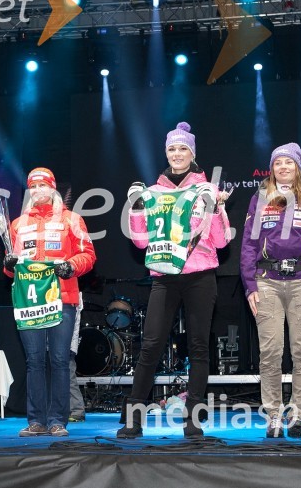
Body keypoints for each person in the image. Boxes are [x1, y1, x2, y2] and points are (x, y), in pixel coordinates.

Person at [118, 122, 231, 439]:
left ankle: (193, 419)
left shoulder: (204, 189)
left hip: (200, 276)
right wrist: (137, 207)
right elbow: (140, 242)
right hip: (164, 278)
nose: (177, 154)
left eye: (183, 148)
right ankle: (133, 419)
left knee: (198, 348)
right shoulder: (152, 192)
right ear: (166, 153)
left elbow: (221, 243)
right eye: (172, 149)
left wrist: (218, 208)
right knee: (151, 346)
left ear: (192, 153)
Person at [240, 143, 301, 438]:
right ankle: (273, 416)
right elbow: (248, 244)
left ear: (298, 167)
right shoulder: (260, 198)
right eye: (278, 163)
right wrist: (249, 284)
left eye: (289, 163)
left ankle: (298, 415)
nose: (283, 167)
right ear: (272, 168)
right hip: (266, 280)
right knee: (270, 352)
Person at [3, 167, 96, 437]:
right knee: (33, 361)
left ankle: (57, 420)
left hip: (63, 298)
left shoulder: (72, 220)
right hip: (30, 302)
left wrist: (71, 266)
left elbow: (88, 255)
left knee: (58, 360)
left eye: (43, 186)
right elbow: (12, 269)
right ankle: (36, 421)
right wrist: (8, 265)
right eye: (33, 187)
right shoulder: (18, 224)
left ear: (53, 188)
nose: (38, 191)